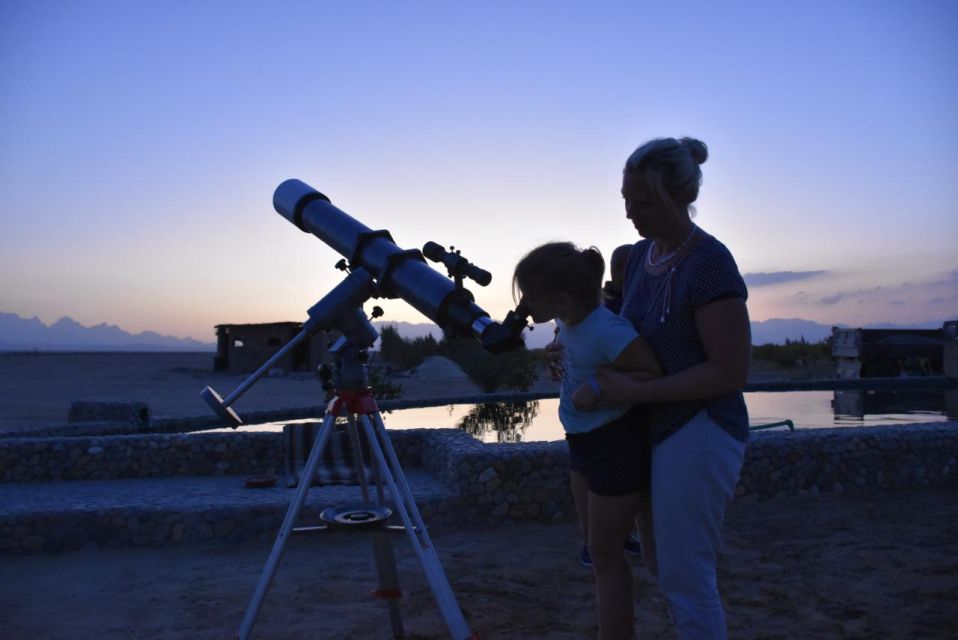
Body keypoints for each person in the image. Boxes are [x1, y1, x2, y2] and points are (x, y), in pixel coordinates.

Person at [590, 137, 751, 640]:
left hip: (701, 432)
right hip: (654, 432)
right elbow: (622, 334)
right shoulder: (639, 258)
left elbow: (730, 371)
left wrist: (633, 394)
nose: (629, 213)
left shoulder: (709, 263)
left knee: (687, 576)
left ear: (678, 197)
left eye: (642, 203)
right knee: (665, 567)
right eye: (625, 199)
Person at [513, 242, 662, 640]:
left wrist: (597, 384)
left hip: (614, 443)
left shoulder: (606, 328)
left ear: (560, 298)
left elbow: (652, 373)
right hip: (582, 442)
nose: (523, 303)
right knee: (597, 551)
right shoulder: (571, 324)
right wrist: (562, 355)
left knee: (605, 553)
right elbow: (584, 354)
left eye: (529, 295)